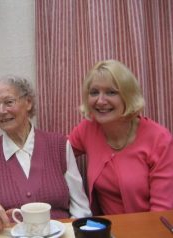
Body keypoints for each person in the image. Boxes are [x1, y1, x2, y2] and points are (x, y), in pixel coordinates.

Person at [0, 74, 91, 232]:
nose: (1, 111)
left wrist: (70, 233)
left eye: (9, 102)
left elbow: (81, 208)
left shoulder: (59, 145)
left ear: (28, 102)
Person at [68, 59, 173, 215]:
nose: (101, 101)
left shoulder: (159, 139)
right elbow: (56, 152)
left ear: (127, 96)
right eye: (94, 92)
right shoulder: (87, 129)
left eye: (111, 92)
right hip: (106, 230)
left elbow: (161, 212)